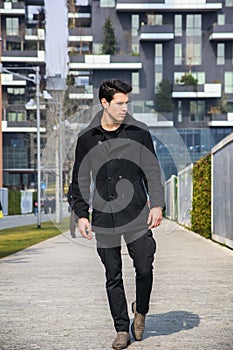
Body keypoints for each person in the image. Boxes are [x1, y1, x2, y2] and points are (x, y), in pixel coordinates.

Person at [72, 79, 165, 349]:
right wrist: (81, 214)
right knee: (113, 273)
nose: (125, 108)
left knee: (145, 268)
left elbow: (152, 172)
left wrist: (157, 204)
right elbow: (79, 181)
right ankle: (121, 329)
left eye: (127, 103)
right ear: (104, 103)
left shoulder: (139, 132)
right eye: (119, 103)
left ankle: (141, 309)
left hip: (137, 213)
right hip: (104, 217)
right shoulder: (87, 138)